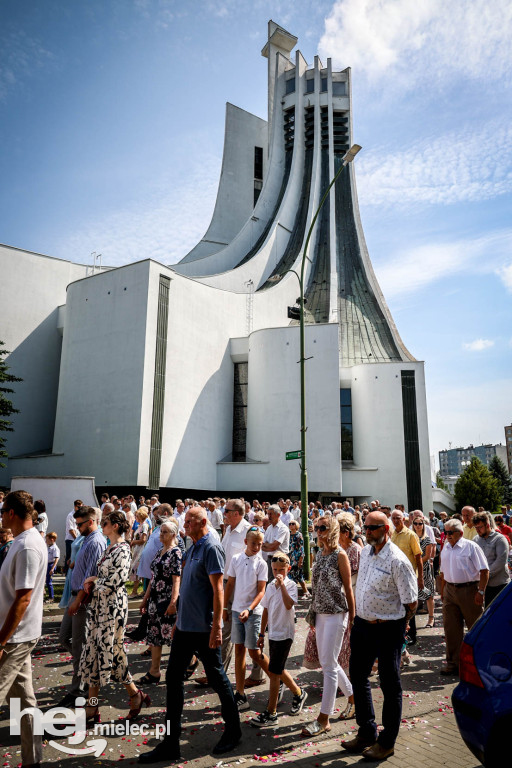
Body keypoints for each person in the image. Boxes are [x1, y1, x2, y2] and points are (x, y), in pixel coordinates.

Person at [138, 506, 241, 764]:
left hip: (205, 629)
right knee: (173, 681)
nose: (185, 525)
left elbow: (218, 589)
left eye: (189, 521)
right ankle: (170, 743)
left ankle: (234, 730)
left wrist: (217, 625)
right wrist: (178, 620)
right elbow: (185, 586)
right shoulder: (192, 546)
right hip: (185, 627)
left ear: (203, 521)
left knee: (217, 678)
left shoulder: (211, 547)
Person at [342, 511, 418, 761]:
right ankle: (367, 732)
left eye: (373, 528)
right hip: (363, 624)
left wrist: (403, 624)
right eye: (365, 527)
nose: (367, 532)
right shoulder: (365, 552)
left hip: (388, 628)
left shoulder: (398, 560)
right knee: (358, 675)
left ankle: (387, 743)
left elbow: (411, 602)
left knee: (389, 684)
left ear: (386, 529)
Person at [78, 511, 150, 723]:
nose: (103, 525)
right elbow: (106, 576)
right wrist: (95, 579)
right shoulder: (109, 547)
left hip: (113, 609)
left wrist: (93, 581)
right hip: (100, 607)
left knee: (111, 653)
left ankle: (134, 695)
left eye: (106, 523)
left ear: (117, 525)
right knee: (93, 653)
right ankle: (94, 708)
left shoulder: (123, 549)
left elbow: (117, 580)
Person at [0, 490, 47, 768]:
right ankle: (33, 760)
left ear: (11, 514)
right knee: (25, 702)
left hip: (15, 638)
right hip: (19, 635)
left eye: (2, 511)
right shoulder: (21, 541)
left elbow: (24, 597)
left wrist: (2, 640)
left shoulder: (28, 545)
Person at [302, 516, 355, 736]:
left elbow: (348, 589)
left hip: (336, 614)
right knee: (329, 663)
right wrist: (313, 615)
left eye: (322, 527)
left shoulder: (339, 555)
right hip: (321, 614)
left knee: (329, 666)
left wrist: (352, 617)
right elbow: (315, 588)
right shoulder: (319, 555)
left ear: (331, 529)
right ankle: (353, 698)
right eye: (316, 528)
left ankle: (324, 718)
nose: (318, 531)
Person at [250, 551, 307, 727]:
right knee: (278, 669)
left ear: (288, 569)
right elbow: (265, 610)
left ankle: (271, 712)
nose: (278, 573)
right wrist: (261, 634)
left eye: (281, 570)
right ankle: (298, 693)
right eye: (275, 570)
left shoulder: (289, 585)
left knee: (274, 672)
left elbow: (289, 604)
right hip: (273, 633)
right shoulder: (269, 586)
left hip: (285, 634)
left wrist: (282, 585)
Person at [59, 505, 107, 705]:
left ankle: (78, 690)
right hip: (75, 596)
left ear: (91, 521)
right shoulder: (86, 539)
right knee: (64, 638)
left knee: (79, 645)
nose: (77, 527)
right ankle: (88, 667)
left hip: (83, 599)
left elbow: (91, 578)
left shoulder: (96, 541)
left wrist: (78, 600)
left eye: (80, 524)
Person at [223, 527, 268, 710]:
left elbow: (261, 591)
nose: (257, 547)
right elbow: (230, 584)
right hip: (236, 611)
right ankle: (240, 693)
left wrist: (249, 609)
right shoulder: (236, 559)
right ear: (246, 542)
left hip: (253, 612)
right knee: (239, 650)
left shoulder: (262, 564)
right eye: (253, 543)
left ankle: (277, 678)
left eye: (260, 543)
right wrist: (225, 607)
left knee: (254, 652)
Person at [439, 518, 489, 676]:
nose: (447, 535)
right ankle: (453, 663)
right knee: (451, 629)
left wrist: (480, 591)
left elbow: (484, 571)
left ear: (460, 533)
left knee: (475, 628)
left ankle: (480, 662)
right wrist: (442, 591)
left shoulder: (471, 547)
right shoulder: (446, 547)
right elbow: (442, 572)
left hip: (469, 590)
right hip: (450, 590)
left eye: (450, 532)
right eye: (445, 532)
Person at [139, 519, 182, 684]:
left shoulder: (175, 552)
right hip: (154, 600)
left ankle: (191, 661)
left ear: (173, 534)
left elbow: (176, 579)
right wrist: (145, 600)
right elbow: (152, 578)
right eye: (160, 531)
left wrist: (173, 602)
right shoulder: (159, 552)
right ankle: (154, 671)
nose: (161, 534)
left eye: (164, 532)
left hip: (166, 601)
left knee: (172, 636)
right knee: (155, 636)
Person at [390, 510, 424, 644]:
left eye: (398, 518)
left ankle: (412, 635)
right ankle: (402, 634)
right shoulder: (392, 535)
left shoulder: (410, 535)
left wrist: (420, 577)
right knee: (399, 606)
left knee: (410, 605)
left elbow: (418, 557)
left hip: (409, 577)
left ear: (403, 519)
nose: (395, 520)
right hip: (395, 578)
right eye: (393, 518)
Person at [337, 512, 360, 674]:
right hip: (338, 597)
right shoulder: (337, 549)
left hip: (353, 596)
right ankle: (342, 671)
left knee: (350, 636)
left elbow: (356, 576)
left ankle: (350, 672)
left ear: (346, 533)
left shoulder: (356, 549)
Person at [473, 512, 510, 605]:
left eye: (480, 527)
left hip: (499, 585)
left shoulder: (500, 539)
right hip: (481, 585)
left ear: (488, 525)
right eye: (476, 528)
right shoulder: (475, 540)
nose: (478, 530)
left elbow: (500, 562)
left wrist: (485, 576)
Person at [411, 517, 436, 627]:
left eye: (420, 523)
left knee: (428, 594)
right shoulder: (411, 538)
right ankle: (410, 623)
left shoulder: (427, 539)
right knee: (412, 596)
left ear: (423, 525)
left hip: (424, 571)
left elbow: (427, 556)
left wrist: (417, 562)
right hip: (412, 570)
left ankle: (431, 619)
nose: (418, 525)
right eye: (415, 523)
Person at [262, 505, 290, 580]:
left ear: (278, 515)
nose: (269, 516)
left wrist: (268, 546)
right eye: (268, 514)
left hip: (280, 560)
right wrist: (270, 546)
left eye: (271, 514)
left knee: (280, 582)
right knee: (269, 582)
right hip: (270, 559)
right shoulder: (269, 528)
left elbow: (274, 546)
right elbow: (262, 546)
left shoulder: (283, 528)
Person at [129, 507, 150, 597]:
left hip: (140, 550)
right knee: (138, 571)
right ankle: (143, 590)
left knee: (137, 571)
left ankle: (135, 591)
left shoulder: (144, 526)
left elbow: (143, 539)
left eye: (136, 516)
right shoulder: (140, 525)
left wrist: (134, 542)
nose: (135, 517)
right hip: (137, 550)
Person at [288, 520, 310, 597]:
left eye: (293, 524)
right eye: (290, 524)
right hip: (290, 558)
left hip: (297, 558)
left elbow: (301, 548)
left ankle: (302, 592)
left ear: (296, 525)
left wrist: (301, 560)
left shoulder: (298, 535)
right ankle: (305, 592)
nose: (291, 525)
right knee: (295, 576)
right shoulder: (288, 535)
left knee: (298, 576)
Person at [64, 499, 81, 573]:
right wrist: (76, 539)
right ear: (74, 506)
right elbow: (71, 530)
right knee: (69, 556)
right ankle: (67, 572)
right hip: (71, 539)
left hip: (76, 538)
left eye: (81, 507)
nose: (79, 508)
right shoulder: (71, 515)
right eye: (78, 507)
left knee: (74, 556)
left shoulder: (79, 515)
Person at [45, 531, 60, 603]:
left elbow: (56, 559)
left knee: (49, 582)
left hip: (51, 565)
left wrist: (52, 568)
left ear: (52, 540)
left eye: (47, 540)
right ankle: (45, 593)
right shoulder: (48, 547)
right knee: (45, 581)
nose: (46, 541)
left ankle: (51, 597)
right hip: (47, 564)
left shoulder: (55, 548)